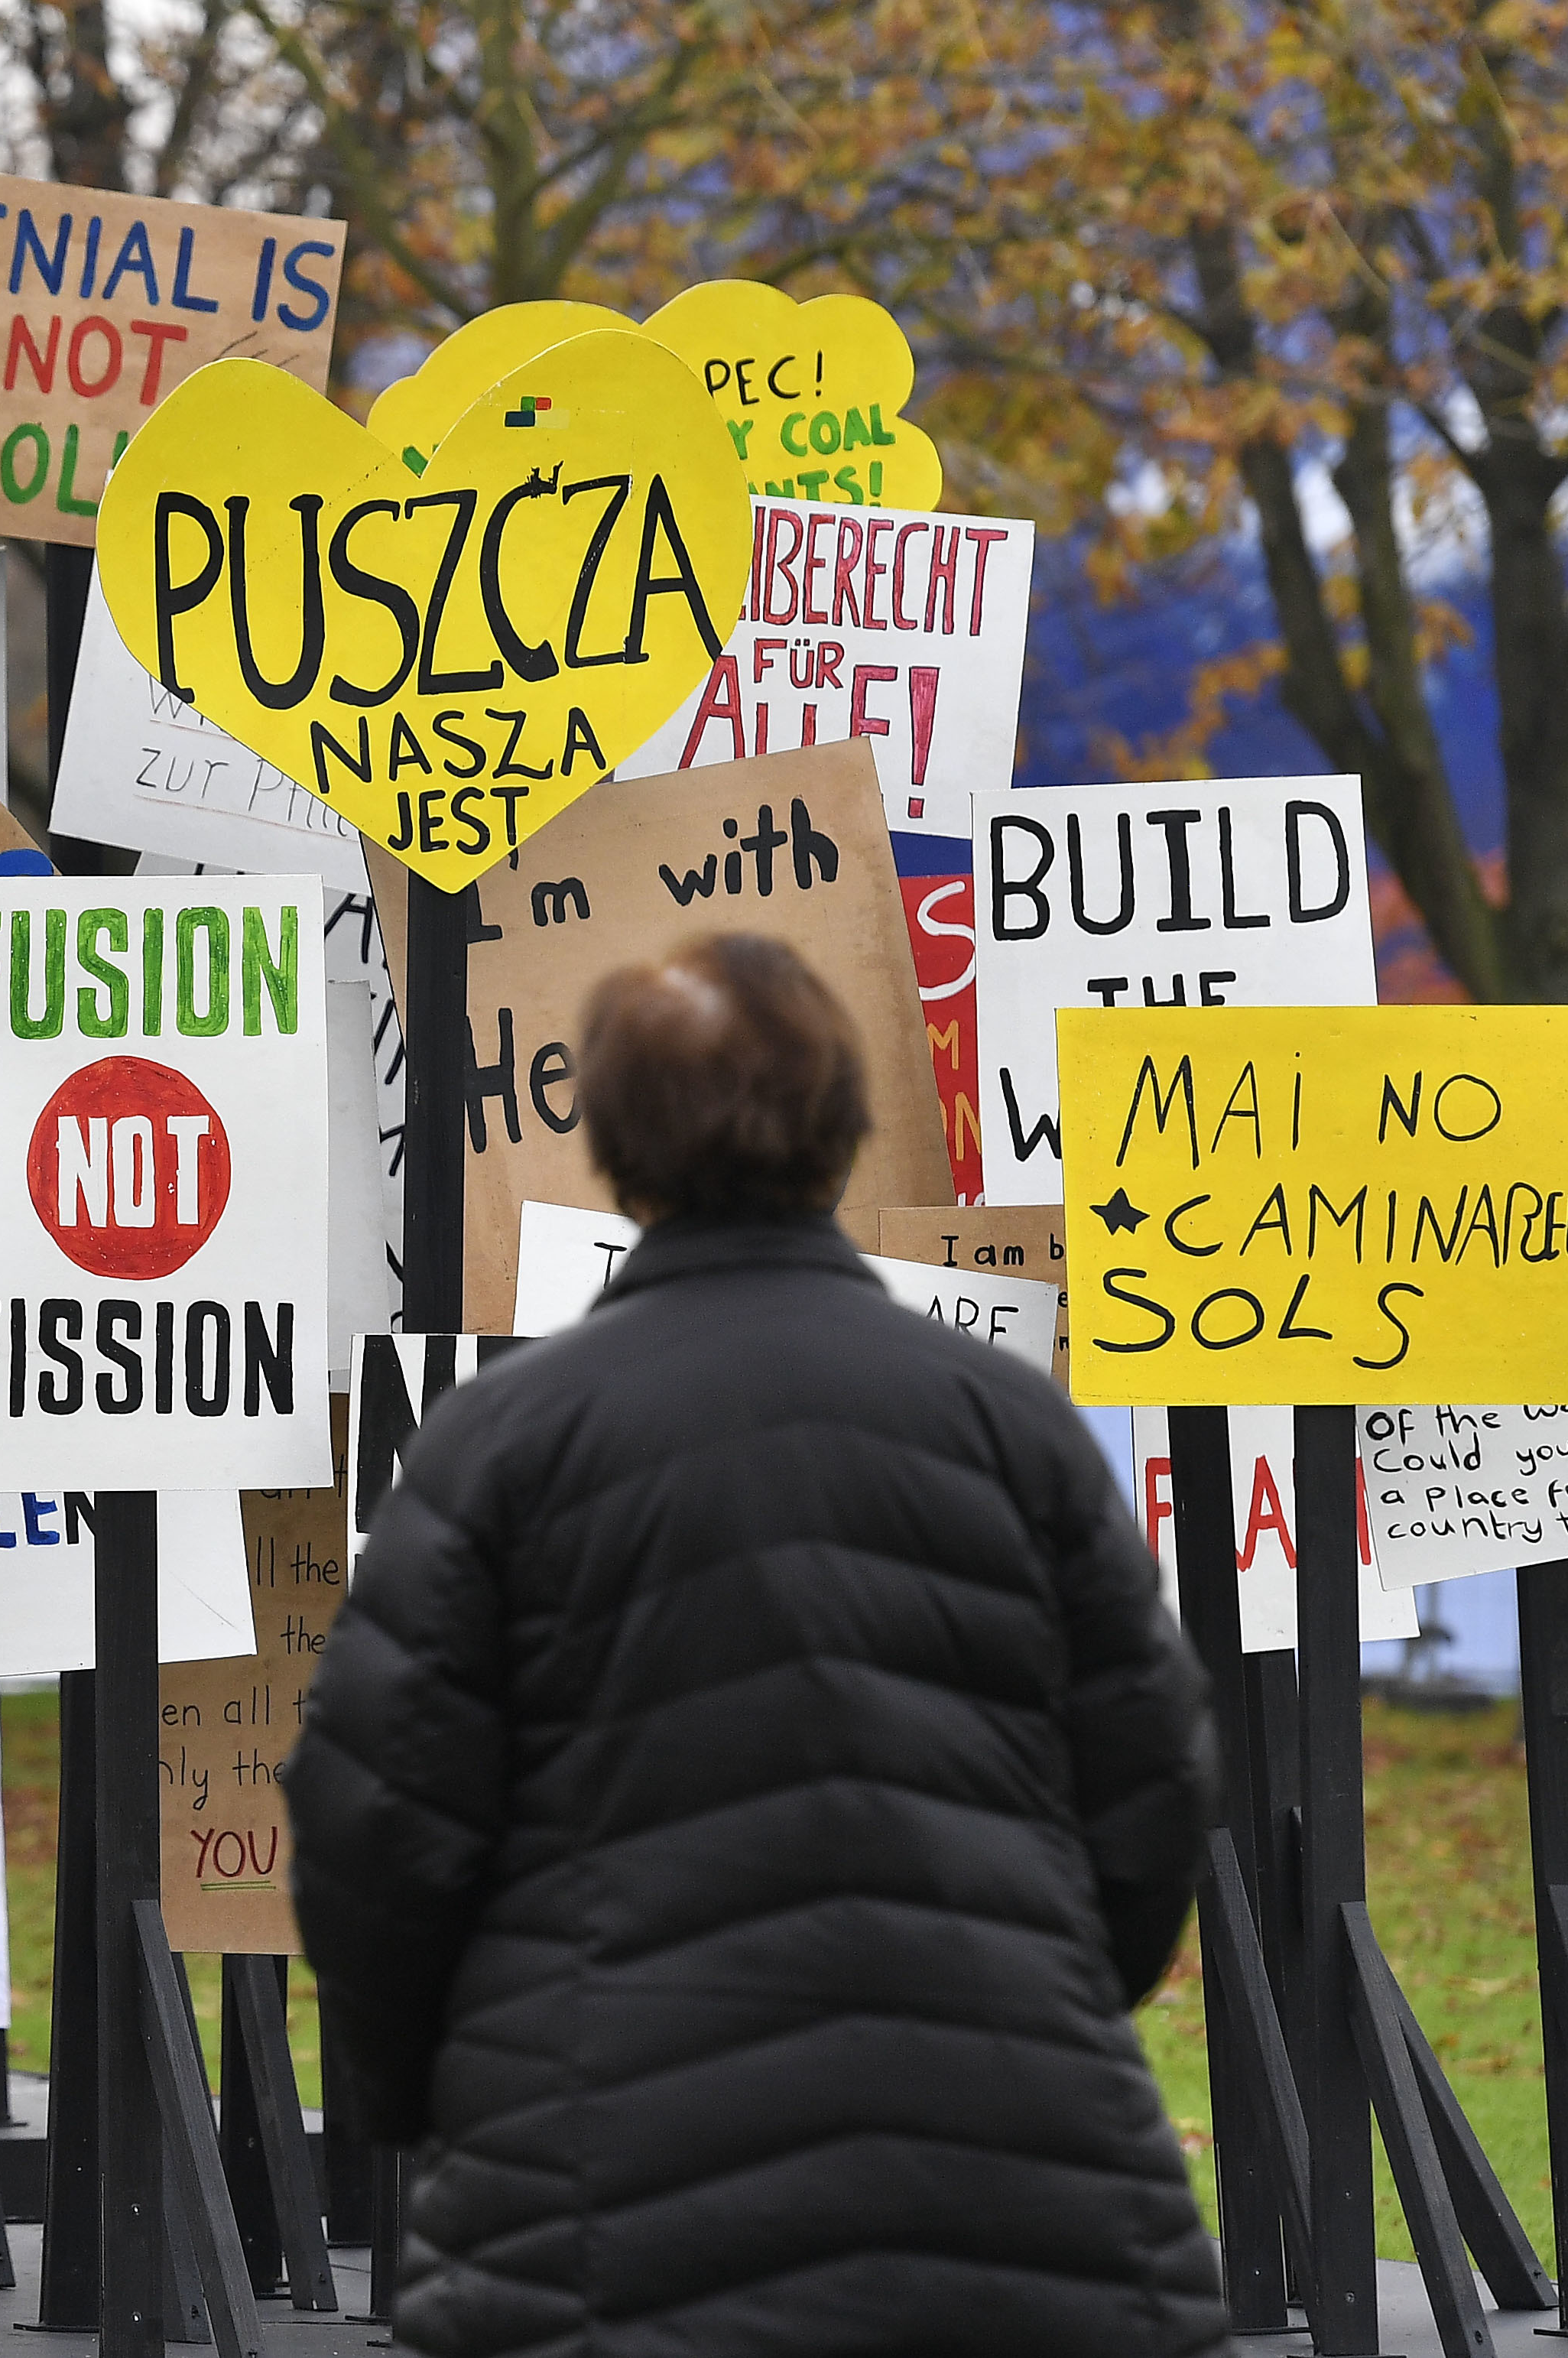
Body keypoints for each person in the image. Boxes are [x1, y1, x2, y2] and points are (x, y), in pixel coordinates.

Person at [287, 933, 1226, 2358]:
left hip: (601, 2196)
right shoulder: (1010, 1423)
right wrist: (1023, 1995)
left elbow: (372, 1819)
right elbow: (1150, 1776)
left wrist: (449, 2085)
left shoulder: (498, 1442)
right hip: (1011, 2192)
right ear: (844, 1128)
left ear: (612, 1143)